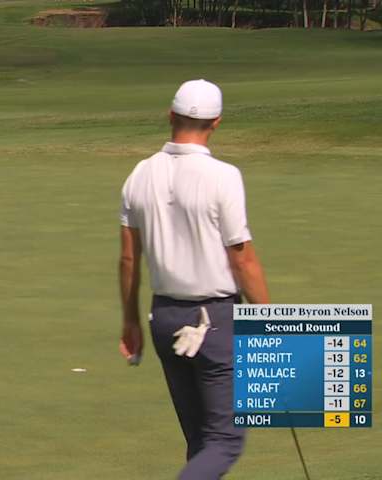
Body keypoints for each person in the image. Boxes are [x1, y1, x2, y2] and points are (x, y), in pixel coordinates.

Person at [118, 79, 270, 479]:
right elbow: (243, 259)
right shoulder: (223, 176)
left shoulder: (140, 173)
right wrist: (273, 321)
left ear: (171, 116)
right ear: (216, 123)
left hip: (164, 317)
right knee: (226, 440)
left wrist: (130, 320)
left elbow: (129, 258)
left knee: (201, 440)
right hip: (215, 320)